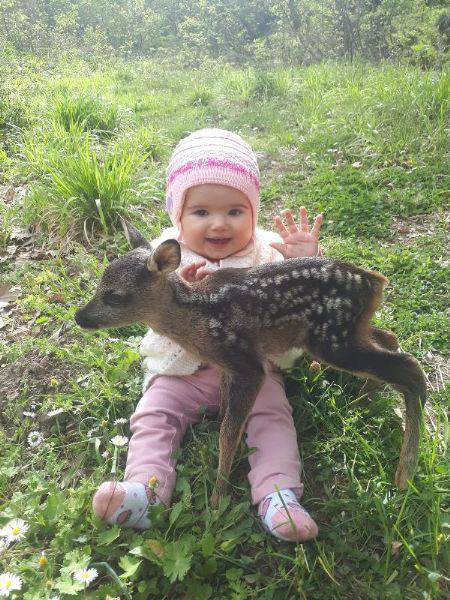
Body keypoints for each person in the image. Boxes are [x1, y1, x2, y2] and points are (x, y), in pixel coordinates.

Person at [93, 128, 323, 542]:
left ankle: (278, 493)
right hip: (182, 373)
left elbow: (303, 288)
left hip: (251, 369)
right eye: (201, 212)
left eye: (236, 211)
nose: (219, 224)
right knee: (154, 413)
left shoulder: (267, 252)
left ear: (254, 214)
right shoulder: (161, 259)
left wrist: (305, 259)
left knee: (271, 415)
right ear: (178, 217)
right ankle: (143, 490)